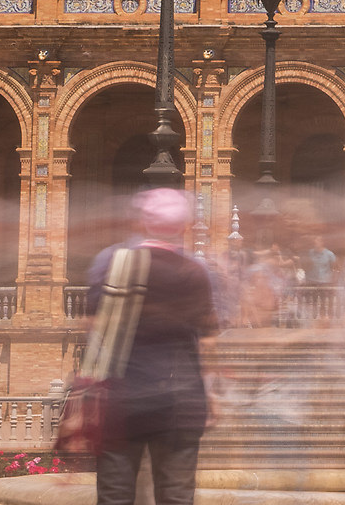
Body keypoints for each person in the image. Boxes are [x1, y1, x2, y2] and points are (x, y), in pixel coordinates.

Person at [86, 188, 219, 505]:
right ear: (184, 227)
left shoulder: (112, 263)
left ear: (141, 223)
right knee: (176, 495)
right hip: (180, 401)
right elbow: (208, 342)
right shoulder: (196, 272)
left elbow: (93, 328)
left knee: (115, 496)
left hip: (120, 398)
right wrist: (211, 393)